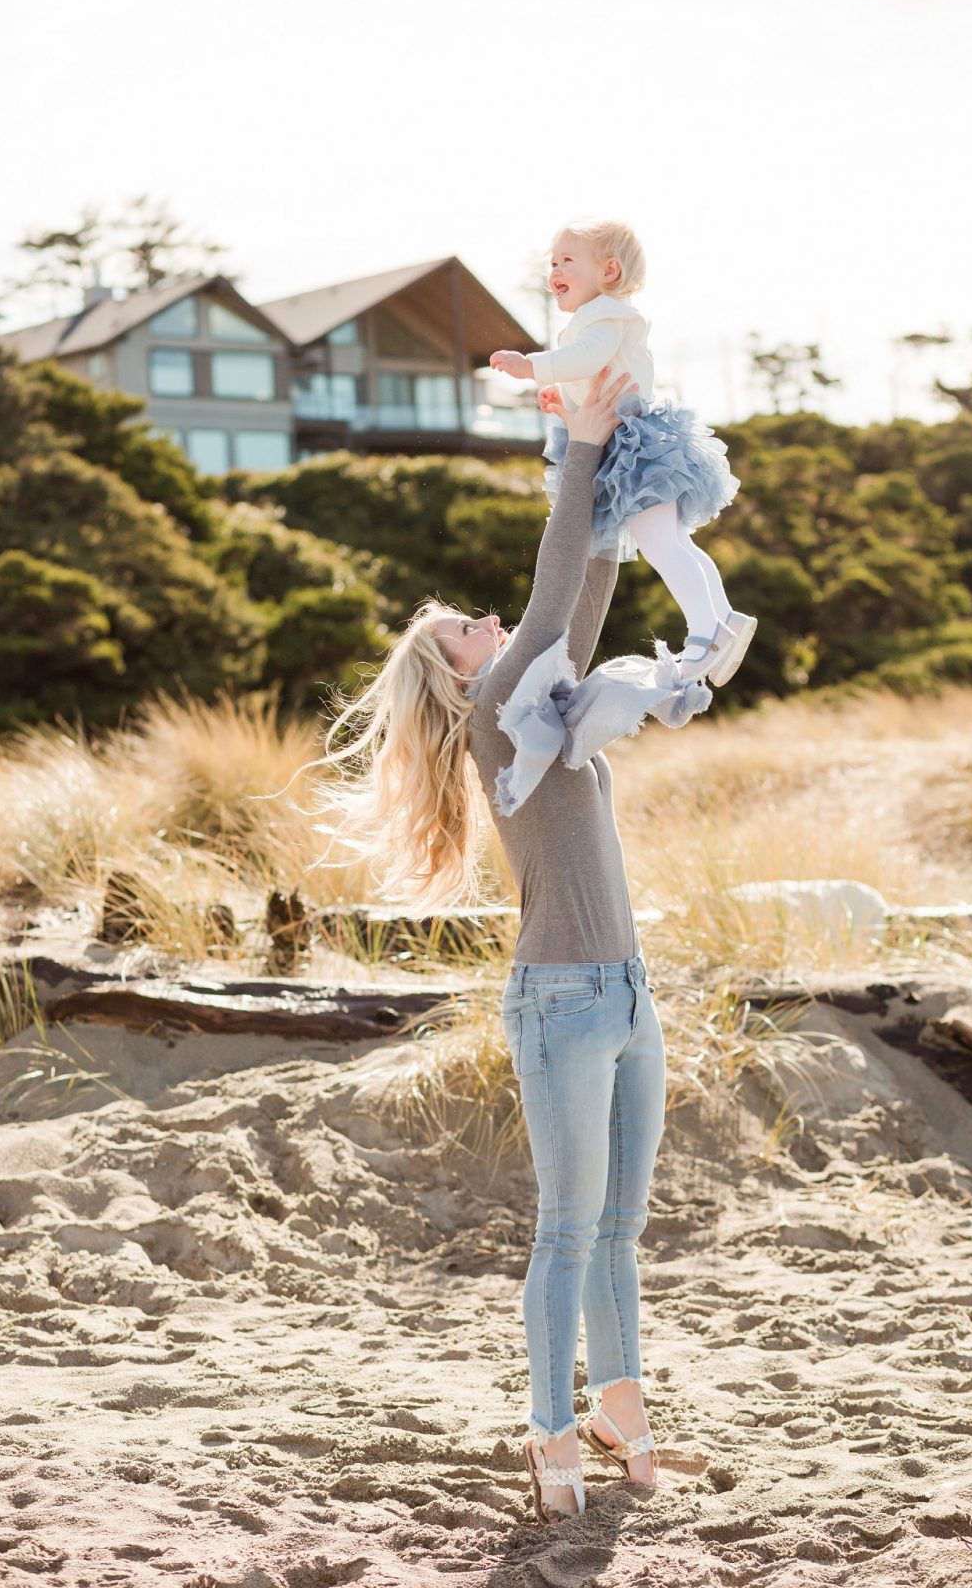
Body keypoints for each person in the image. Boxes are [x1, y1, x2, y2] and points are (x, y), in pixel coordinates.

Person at [309, 367, 669, 1525]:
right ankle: (549, 1429)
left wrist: (612, 463)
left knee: (620, 1225)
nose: (494, 625)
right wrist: (574, 446)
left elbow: (590, 582)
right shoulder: (492, 715)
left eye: (485, 618)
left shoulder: (543, 702)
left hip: (626, 993)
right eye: (475, 629)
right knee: (568, 1228)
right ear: (462, 669)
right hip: (560, 1001)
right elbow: (555, 579)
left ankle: (619, 1403)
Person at [491, 218, 756, 686]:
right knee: (674, 540)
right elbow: (592, 377)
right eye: (552, 261)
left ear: (608, 271)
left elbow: (587, 358)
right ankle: (725, 619)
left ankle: (705, 632)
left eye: (567, 260)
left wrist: (532, 366)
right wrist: (566, 403)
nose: (554, 268)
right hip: (639, 445)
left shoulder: (605, 316)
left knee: (660, 543)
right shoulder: (598, 319)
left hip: (635, 449)